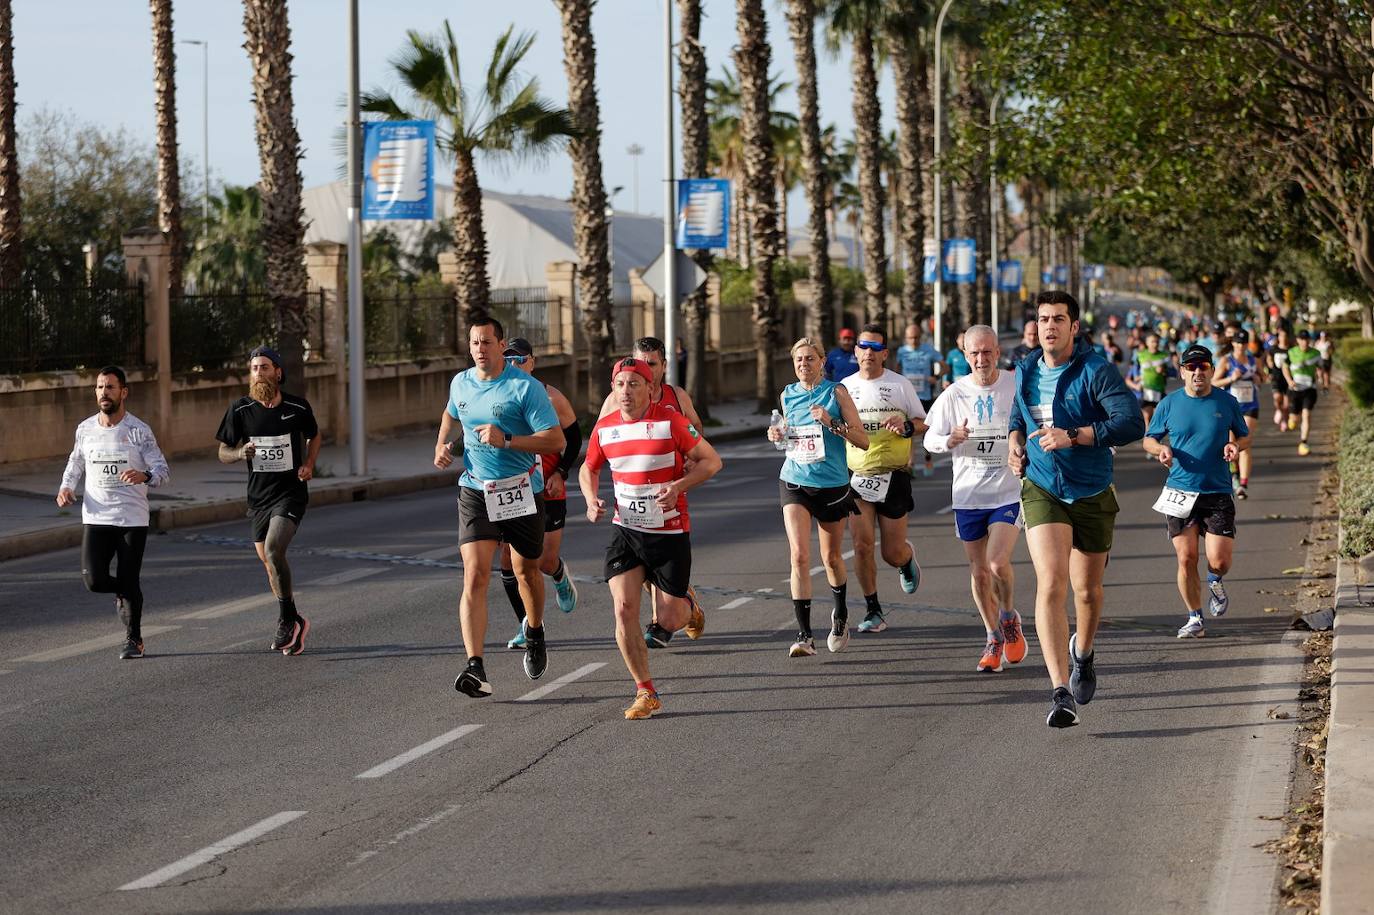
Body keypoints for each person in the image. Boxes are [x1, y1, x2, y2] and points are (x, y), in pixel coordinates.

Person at [1008, 291, 1145, 728]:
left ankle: (1083, 653)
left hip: (1090, 489)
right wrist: (1014, 443)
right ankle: (1059, 691)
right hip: (1042, 486)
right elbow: (1018, 417)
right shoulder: (1026, 368)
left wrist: (1075, 435)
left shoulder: (1095, 370)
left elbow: (1131, 423)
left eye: (1058, 319)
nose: (1049, 326)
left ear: (1074, 327)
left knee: (1086, 591)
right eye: (1043, 318)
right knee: (1051, 581)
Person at [580, 357, 723, 719]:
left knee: (670, 619)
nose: (626, 391)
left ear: (649, 387)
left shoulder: (670, 422)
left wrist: (679, 486)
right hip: (626, 531)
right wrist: (591, 499)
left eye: (634, 384)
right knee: (623, 609)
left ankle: (688, 606)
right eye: (620, 385)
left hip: (669, 532)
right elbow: (588, 467)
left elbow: (711, 461)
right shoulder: (605, 428)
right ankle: (645, 691)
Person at [435, 317, 565, 698]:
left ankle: (535, 632)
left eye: (487, 342)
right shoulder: (461, 383)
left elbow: (555, 440)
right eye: (474, 342)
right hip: (475, 489)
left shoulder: (524, 387)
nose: (480, 349)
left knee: (526, 572)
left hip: (520, 489)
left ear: (501, 345)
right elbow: (451, 414)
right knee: (475, 574)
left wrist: (507, 439)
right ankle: (475, 666)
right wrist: (442, 443)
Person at [922, 326, 1027, 672]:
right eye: (974, 353)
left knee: (996, 563)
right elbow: (929, 438)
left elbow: (1033, 422)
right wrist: (949, 439)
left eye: (987, 352)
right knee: (980, 574)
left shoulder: (1015, 384)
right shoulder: (954, 394)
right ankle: (993, 636)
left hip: (1007, 491)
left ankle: (1009, 617)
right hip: (968, 495)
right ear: (965, 356)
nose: (981, 359)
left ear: (998, 352)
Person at [598, 336, 707, 646]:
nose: (645, 368)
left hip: (669, 491)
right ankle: (667, 613)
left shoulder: (676, 397)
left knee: (658, 552)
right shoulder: (617, 398)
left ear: (663, 366)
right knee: (638, 561)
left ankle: (673, 612)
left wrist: (688, 460)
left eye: (652, 364)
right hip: (632, 498)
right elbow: (601, 438)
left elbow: (697, 430)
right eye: (640, 362)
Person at [56, 366, 170, 660]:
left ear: (123, 392)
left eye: (110, 387)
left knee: (129, 577)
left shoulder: (138, 431)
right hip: (97, 516)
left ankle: (134, 639)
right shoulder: (85, 429)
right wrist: (66, 487)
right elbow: (76, 463)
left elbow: (162, 470)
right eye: (99, 387)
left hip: (132, 518)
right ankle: (125, 592)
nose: (104, 393)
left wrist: (145, 476)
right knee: (93, 580)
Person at [215, 346, 321, 657]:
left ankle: (285, 621)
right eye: (254, 368)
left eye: (264, 367)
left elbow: (314, 435)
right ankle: (296, 620)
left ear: (278, 372)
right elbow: (222, 451)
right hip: (259, 497)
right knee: (269, 563)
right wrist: (239, 453)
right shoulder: (240, 409)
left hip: (290, 493)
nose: (259, 373)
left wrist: (309, 464)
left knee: (275, 550)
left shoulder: (297, 407)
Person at [767, 338, 868, 657]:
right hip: (794, 480)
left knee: (831, 557)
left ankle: (840, 615)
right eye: (798, 359)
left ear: (822, 361)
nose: (804, 364)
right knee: (798, 556)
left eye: (810, 358)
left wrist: (831, 422)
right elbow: (789, 436)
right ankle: (805, 635)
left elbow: (862, 440)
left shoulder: (837, 392)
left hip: (832, 484)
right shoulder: (788, 394)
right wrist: (778, 434)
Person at [1143, 345, 1251, 638]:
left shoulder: (1226, 401)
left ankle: (1215, 580)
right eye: (1191, 367)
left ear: (1212, 370)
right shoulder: (1169, 403)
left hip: (1217, 491)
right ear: (1182, 372)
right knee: (1186, 557)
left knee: (1220, 560)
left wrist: (1235, 445)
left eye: (1203, 366)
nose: (1197, 372)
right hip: (1180, 491)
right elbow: (1149, 439)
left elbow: (1244, 436)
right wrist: (1160, 449)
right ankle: (1195, 618)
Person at [497, 338, 582, 650]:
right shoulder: (495, 394)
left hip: (547, 487)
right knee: (509, 561)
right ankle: (527, 624)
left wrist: (561, 473)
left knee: (544, 561)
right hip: (513, 488)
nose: (514, 365)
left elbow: (574, 439)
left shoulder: (551, 396)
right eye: (508, 360)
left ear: (532, 362)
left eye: (520, 359)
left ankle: (559, 575)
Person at [842, 323, 927, 634]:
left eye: (875, 348)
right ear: (856, 352)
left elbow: (924, 422)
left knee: (890, 552)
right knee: (862, 545)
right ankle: (873, 609)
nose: (869, 352)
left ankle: (905, 560)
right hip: (857, 476)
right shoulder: (844, 387)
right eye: (864, 347)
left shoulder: (899, 385)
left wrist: (906, 425)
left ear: (885, 354)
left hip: (893, 475)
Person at [1212, 329, 1264, 498]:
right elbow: (1213, 382)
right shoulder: (1226, 361)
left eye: (1244, 343)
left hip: (1250, 405)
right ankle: (1234, 474)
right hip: (1230, 408)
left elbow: (1264, 377)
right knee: (1231, 443)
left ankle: (1243, 484)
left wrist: (1259, 379)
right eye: (1238, 343)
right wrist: (1230, 379)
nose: (1241, 346)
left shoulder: (1254, 360)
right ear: (1233, 343)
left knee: (1245, 442)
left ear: (1247, 344)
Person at [895, 323, 944, 476]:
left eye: (916, 337)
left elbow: (945, 367)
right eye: (910, 338)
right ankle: (910, 464)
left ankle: (927, 456)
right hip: (907, 397)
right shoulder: (901, 351)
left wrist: (935, 377)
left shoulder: (928, 350)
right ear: (906, 338)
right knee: (908, 429)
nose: (914, 341)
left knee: (925, 430)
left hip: (925, 396)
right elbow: (897, 370)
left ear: (920, 337)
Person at [1283, 330, 1321, 456]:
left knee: (1306, 415)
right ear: (1298, 340)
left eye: (1306, 339)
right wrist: (1289, 380)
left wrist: (1322, 379)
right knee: (1295, 418)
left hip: (1309, 389)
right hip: (1295, 389)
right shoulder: (1291, 352)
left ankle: (1303, 443)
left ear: (1309, 340)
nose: (1304, 342)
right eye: (1302, 339)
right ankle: (1292, 418)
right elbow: (1284, 367)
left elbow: (1321, 367)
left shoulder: (1316, 353)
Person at [1126, 332, 1172, 426]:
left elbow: (1174, 373)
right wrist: (1136, 383)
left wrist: (1164, 371)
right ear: (1147, 342)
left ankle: (1155, 434)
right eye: (1152, 341)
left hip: (1159, 390)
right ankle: (1147, 434)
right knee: (1147, 418)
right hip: (1145, 391)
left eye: (1157, 342)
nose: (1155, 344)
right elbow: (1130, 376)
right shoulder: (1140, 355)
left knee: (1159, 419)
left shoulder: (1165, 355)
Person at [1266, 327, 1293, 432]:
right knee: (1277, 397)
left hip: (1288, 378)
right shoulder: (1274, 349)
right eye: (1281, 336)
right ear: (1278, 337)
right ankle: (1278, 410)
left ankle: (1284, 421)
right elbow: (1268, 359)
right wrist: (1269, 367)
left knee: (1286, 404)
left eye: (1285, 336)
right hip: (1276, 377)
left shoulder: (1291, 350)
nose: (1283, 338)